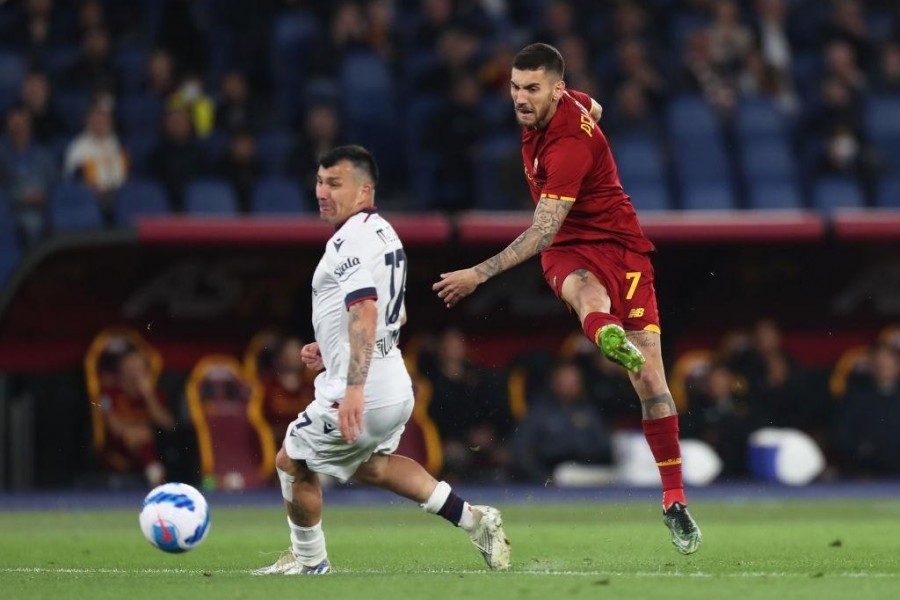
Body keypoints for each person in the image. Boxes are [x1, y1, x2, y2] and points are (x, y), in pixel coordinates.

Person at [433, 43, 701, 555]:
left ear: (554, 89)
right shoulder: (568, 104)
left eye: (531, 88)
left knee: (650, 378)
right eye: (514, 87)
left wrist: (477, 273)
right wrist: (583, 116)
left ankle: (673, 498)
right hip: (570, 249)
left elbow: (538, 231)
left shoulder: (566, 148)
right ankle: (603, 330)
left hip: (621, 246)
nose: (519, 98)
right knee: (583, 290)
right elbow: (595, 110)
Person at [255, 145, 510, 576]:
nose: (322, 191)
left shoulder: (347, 240)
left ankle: (308, 561)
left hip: (365, 387)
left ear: (363, 190)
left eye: (334, 183)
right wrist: (330, 344)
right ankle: (474, 520)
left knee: (291, 461)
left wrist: (352, 387)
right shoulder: (386, 234)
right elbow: (397, 312)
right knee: (371, 466)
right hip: (392, 382)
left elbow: (368, 308)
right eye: (319, 181)